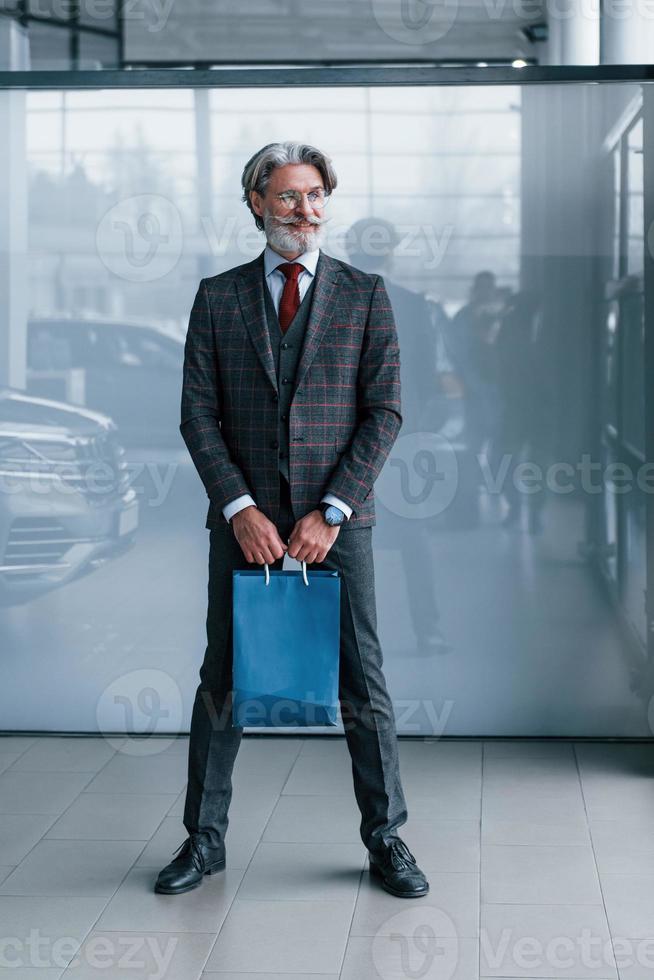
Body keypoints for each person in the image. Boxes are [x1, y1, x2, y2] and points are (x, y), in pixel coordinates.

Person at [154, 141, 429, 900]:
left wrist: (333, 508)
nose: (304, 211)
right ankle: (203, 842)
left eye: (314, 196)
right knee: (225, 680)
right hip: (245, 523)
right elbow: (197, 415)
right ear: (256, 204)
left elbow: (386, 412)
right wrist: (239, 508)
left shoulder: (365, 294)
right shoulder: (217, 297)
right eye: (287, 197)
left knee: (360, 681)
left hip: (337, 523)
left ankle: (386, 840)